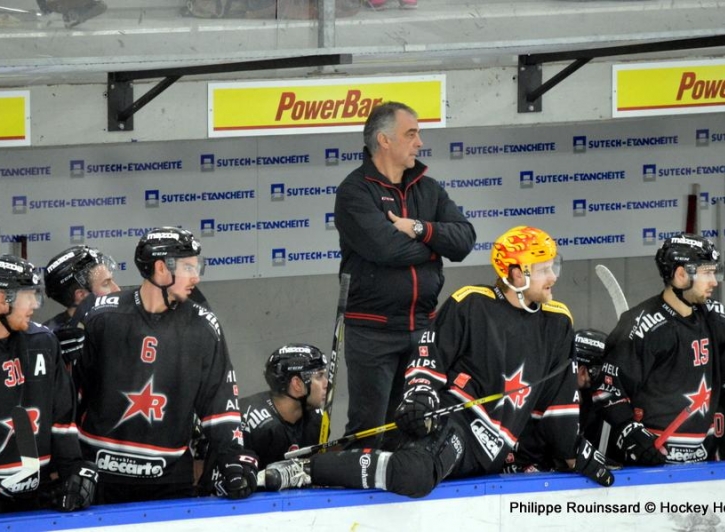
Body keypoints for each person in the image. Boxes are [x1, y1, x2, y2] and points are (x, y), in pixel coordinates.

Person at [262, 226, 613, 497]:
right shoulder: (472, 303)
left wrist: (572, 451)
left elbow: (558, 398)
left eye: (554, 266)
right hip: (458, 422)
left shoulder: (557, 322)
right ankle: (308, 470)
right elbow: (429, 356)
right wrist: (419, 396)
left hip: (495, 451)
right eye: (544, 269)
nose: (553, 276)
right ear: (517, 275)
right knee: (415, 474)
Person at [73, 227, 258, 504]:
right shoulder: (102, 317)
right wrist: (67, 464)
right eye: (188, 268)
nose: (196, 277)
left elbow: (220, 405)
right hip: (99, 478)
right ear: (161, 268)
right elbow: (70, 399)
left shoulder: (203, 327)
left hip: (170, 481)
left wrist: (232, 455)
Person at [334, 101, 476, 448]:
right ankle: (362, 483)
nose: (419, 142)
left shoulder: (429, 189)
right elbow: (386, 250)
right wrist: (435, 246)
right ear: (384, 140)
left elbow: (464, 240)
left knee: (416, 426)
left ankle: (405, 482)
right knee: (369, 431)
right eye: (411, 134)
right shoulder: (354, 191)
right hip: (372, 332)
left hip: (423, 329)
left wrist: (417, 228)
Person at [593, 233, 725, 465]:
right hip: (650, 462)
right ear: (681, 275)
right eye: (707, 272)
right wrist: (631, 433)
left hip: (702, 461)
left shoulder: (716, 319)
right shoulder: (641, 325)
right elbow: (607, 390)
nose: (714, 282)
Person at [0, 255, 97, 518]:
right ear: (2, 299)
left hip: (37, 496)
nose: (34, 304)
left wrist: (72, 470)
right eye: (27, 296)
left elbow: (62, 416)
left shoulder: (43, 341)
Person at [507, 328, 611, 473]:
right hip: (523, 469)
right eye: (597, 371)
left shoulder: (543, 377)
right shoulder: (559, 396)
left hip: (527, 463)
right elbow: (569, 455)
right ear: (582, 371)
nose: (600, 379)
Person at [240, 344, 328, 468]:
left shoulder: (317, 420)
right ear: (297, 384)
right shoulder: (253, 425)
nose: (326, 383)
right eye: (319, 376)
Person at [42, 245, 120, 367]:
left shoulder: (120, 321)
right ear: (81, 295)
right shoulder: (48, 339)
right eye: (106, 284)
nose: (117, 289)